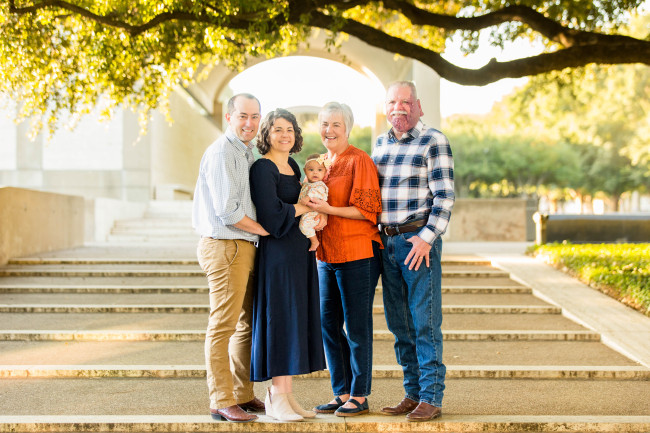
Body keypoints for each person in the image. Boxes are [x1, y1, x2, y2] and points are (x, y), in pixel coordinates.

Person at [371, 81, 455, 421]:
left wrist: (426, 237)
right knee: (399, 323)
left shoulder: (433, 141)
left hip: (416, 242)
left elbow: (445, 197)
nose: (399, 108)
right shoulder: (379, 144)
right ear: (386, 106)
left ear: (417, 106)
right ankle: (413, 392)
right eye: (393, 102)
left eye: (406, 102)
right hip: (386, 243)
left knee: (424, 321)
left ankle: (431, 397)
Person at [192, 93, 269, 423]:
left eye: (254, 117)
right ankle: (221, 399)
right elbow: (226, 211)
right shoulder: (223, 151)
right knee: (223, 324)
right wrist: (267, 231)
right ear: (229, 117)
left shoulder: (247, 153)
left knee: (245, 325)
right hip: (227, 245)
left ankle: (242, 394)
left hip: (244, 246)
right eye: (242, 116)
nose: (249, 123)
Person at [249, 108, 327, 422]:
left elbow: (302, 204)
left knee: (294, 320)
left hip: (298, 251)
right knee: (280, 320)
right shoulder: (262, 168)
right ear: (266, 134)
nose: (285, 135)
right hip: (278, 253)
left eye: (290, 130)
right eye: (278, 129)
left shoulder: (294, 165)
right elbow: (270, 214)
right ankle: (275, 395)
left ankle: (287, 395)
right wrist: (300, 206)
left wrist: (313, 215)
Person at [306, 102, 382, 417]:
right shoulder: (320, 163)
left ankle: (360, 394)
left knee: (357, 324)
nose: (329, 130)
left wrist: (327, 210)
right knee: (328, 323)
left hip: (359, 253)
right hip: (325, 253)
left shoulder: (359, 160)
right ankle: (342, 392)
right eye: (325, 124)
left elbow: (368, 212)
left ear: (347, 128)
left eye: (336, 124)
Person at [298, 154, 330, 251]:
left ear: (325, 172)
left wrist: (308, 197)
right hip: (308, 211)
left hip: (314, 213)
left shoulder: (320, 185)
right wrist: (301, 185)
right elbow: (307, 188)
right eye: (311, 170)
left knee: (303, 225)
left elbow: (317, 194)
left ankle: (314, 241)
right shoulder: (308, 184)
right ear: (305, 171)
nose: (315, 173)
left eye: (319, 170)